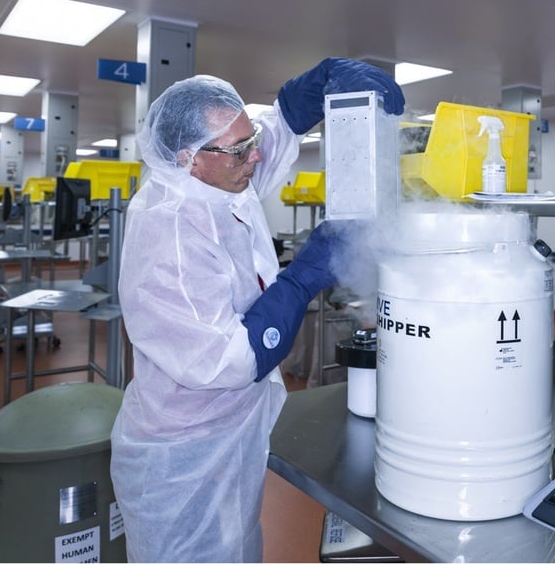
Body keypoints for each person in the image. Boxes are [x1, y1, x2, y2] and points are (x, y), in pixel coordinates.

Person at [110, 58, 404, 562]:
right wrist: (305, 275)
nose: (255, 155)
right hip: (184, 457)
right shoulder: (170, 234)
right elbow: (232, 361)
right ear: (187, 158)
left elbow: (272, 130)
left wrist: (313, 85)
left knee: (241, 547)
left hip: (233, 431)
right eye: (241, 149)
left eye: (251, 140)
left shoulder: (221, 178)